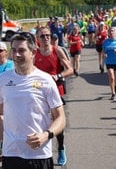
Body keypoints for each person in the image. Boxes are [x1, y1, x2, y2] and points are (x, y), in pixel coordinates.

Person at [0, 34, 66, 169]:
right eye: (14, 50)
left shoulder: (46, 80)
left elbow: (60, 117)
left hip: (39, 155)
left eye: (21, 50)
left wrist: (46, 135)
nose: (16, 54)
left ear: (33, 53)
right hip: (11, 153)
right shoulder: (2, 80)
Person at [34, 28, 73, 166]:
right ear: (37, 38)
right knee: (40, 120)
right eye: (42, 36)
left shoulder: (57, 50)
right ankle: (40, 149)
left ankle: (61, 148)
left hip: (56, 90)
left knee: (58, 120)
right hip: (38, 91)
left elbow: (70, 69)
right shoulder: (35, 53)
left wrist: (58, 76)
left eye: (48, 35)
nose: (46, 38)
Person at [102, 27, 116, 100]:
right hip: (109, 61)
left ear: (115, 33)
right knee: (111, 77)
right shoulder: (105, 42)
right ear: (108, 33)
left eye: (112, 31)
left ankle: (115, 86)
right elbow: (103, 51)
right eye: (110, 31)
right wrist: (104, 54)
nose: (111, 33)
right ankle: (113, 93)